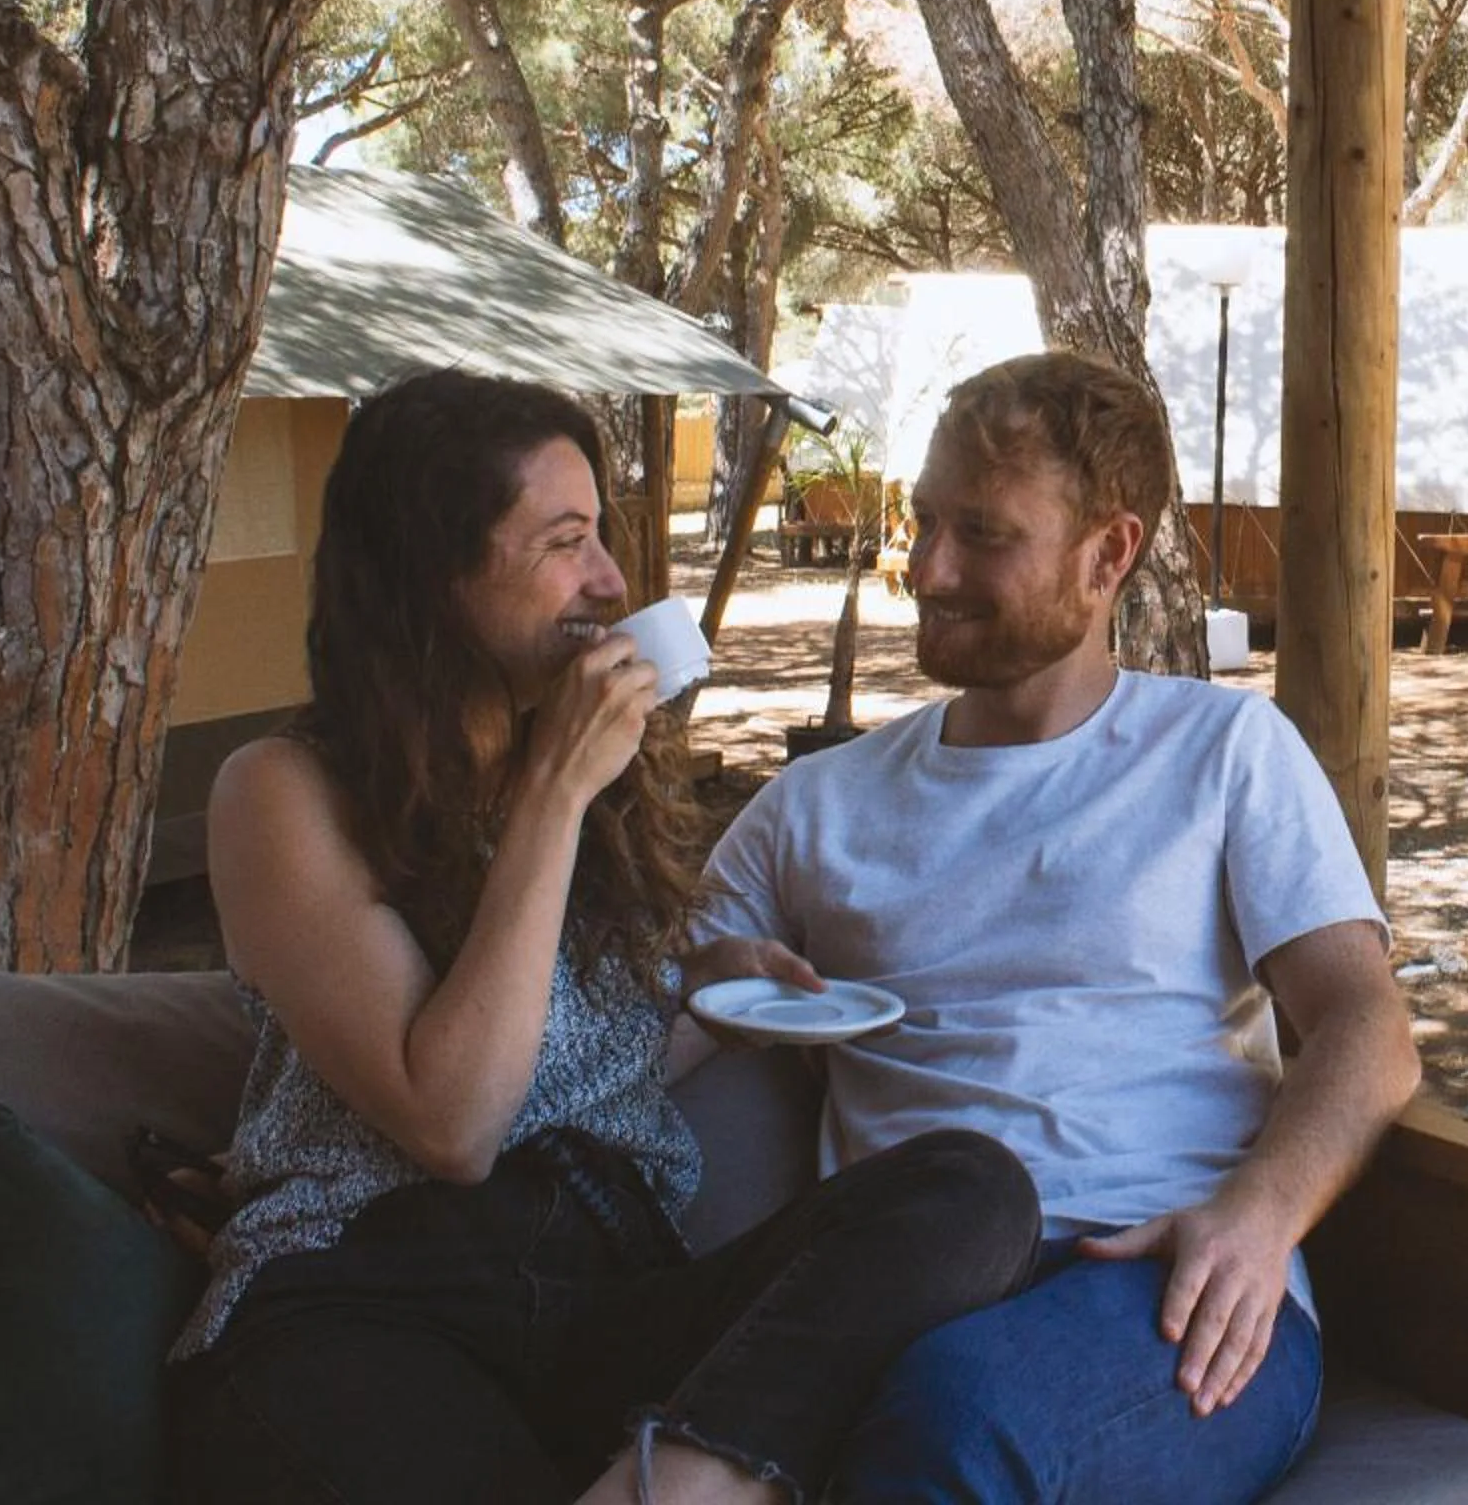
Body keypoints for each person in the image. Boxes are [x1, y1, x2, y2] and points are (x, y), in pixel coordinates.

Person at [165, 369, 1041, 1505]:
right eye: (565, 542)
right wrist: (553, 791)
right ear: (436, 575)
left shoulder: (600, 794)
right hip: (368, 1288)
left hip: (611, 1286)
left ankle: (677, 1480)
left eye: (604, 539)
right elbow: (454, 1119)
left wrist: (699, 986)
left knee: (972, 1190)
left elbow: (560, 1043)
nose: (613, 581)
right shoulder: (285, 792)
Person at [693, 351, 1423, 1503]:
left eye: (984, 533)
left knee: (957, 1414)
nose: (928, 567)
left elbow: (1368, 1023)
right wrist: (714, 974)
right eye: (924, 519)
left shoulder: (1221, 754)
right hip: (901, 1273)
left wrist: (1259, 1212)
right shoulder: (820, 803)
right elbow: (646, 1007)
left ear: (1109, 554)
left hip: (1158, 1281)